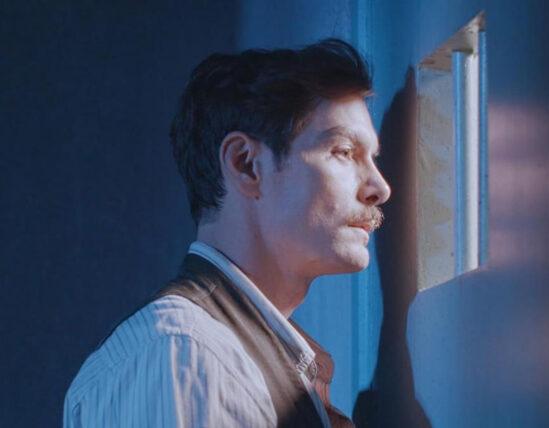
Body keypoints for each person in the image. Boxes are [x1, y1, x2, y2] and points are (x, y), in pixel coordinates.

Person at [63, 38, 391, 428]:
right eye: (344, 152)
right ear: (246, 164)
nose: (380, 187)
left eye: (373, 158)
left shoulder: (218, 354)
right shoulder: (185, 353)